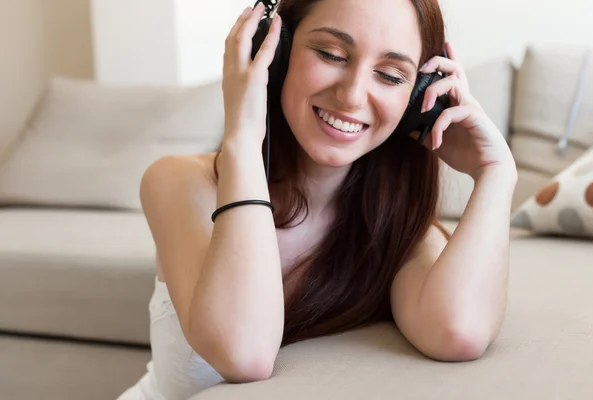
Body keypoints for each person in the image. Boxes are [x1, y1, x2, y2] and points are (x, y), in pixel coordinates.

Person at [117, 0, 517, 398]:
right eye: (331, 54)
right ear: (273, 52)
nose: (353, 96)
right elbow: (243, 354)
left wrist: (496, 172)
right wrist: (242, 137)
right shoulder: (178, 181)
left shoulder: (399, 231)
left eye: (391, 75)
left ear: (419, 100)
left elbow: (457, 332)